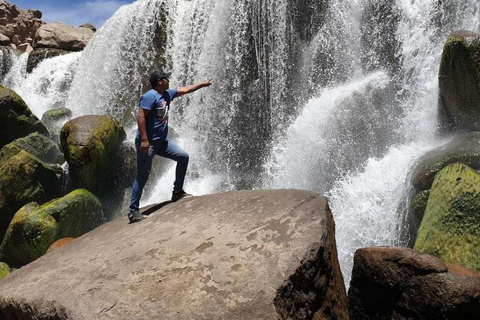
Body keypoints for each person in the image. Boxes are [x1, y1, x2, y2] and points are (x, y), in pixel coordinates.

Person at [128, 70, 212, 223]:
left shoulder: (167, 94)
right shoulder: (149, 96)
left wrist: (202, 84)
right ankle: (133, 211)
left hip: (162, 142)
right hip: (148, 143)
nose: (169, 80)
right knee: (142, 175)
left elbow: (185, 89)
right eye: (166, 78)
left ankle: (177, 191)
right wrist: (145, 140)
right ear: (160, 81)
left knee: (183, 157)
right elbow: (141, 117)